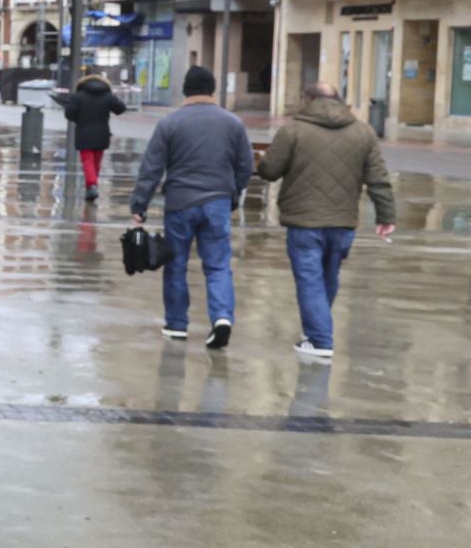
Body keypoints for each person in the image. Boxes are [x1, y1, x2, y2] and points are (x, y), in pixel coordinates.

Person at [256, 81, 396, 360]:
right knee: (328, 277)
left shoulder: (292, 131)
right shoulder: (364, 132)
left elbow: (270, 171)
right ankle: (315, 332)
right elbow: (378, 178)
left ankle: (320, 339)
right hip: (343, 222)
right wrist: (386, 216)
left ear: (308, 99)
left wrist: (261, 160)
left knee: (309, 280)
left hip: (304, 222)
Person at [129, 66, 253, 350]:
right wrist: (232, 194)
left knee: (175, 264)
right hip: (217, 203)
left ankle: (176, 324)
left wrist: (140, 204)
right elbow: (245, 165)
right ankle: (221, 317)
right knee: (218, 265)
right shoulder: (233, 123)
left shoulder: (170, 123)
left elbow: (152, 167)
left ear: (185, 90)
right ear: (212, 89)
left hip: (180, 204)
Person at [61, 71, 128, 203]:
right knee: (96, 162)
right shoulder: (107, 96)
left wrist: (78, 118)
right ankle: (92, 187)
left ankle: (91, 185)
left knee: (87, 161)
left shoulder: (77, 96)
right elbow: (120, 109)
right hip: (102, 133)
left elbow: (69, 114)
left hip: (84, 133)